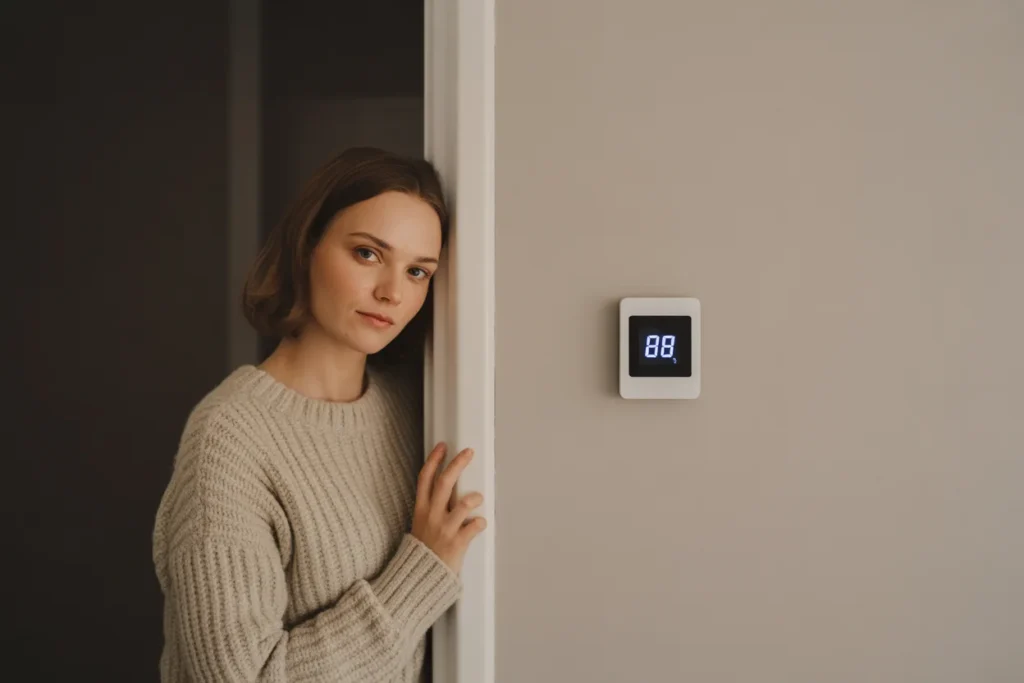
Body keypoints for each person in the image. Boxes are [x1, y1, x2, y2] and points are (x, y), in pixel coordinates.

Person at [152, 147, 487, 682]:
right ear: (307, 245)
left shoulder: (412, 408)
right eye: (368, 254)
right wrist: (420, 570)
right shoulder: (230, 437)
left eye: (419, 271)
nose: (392, 293)